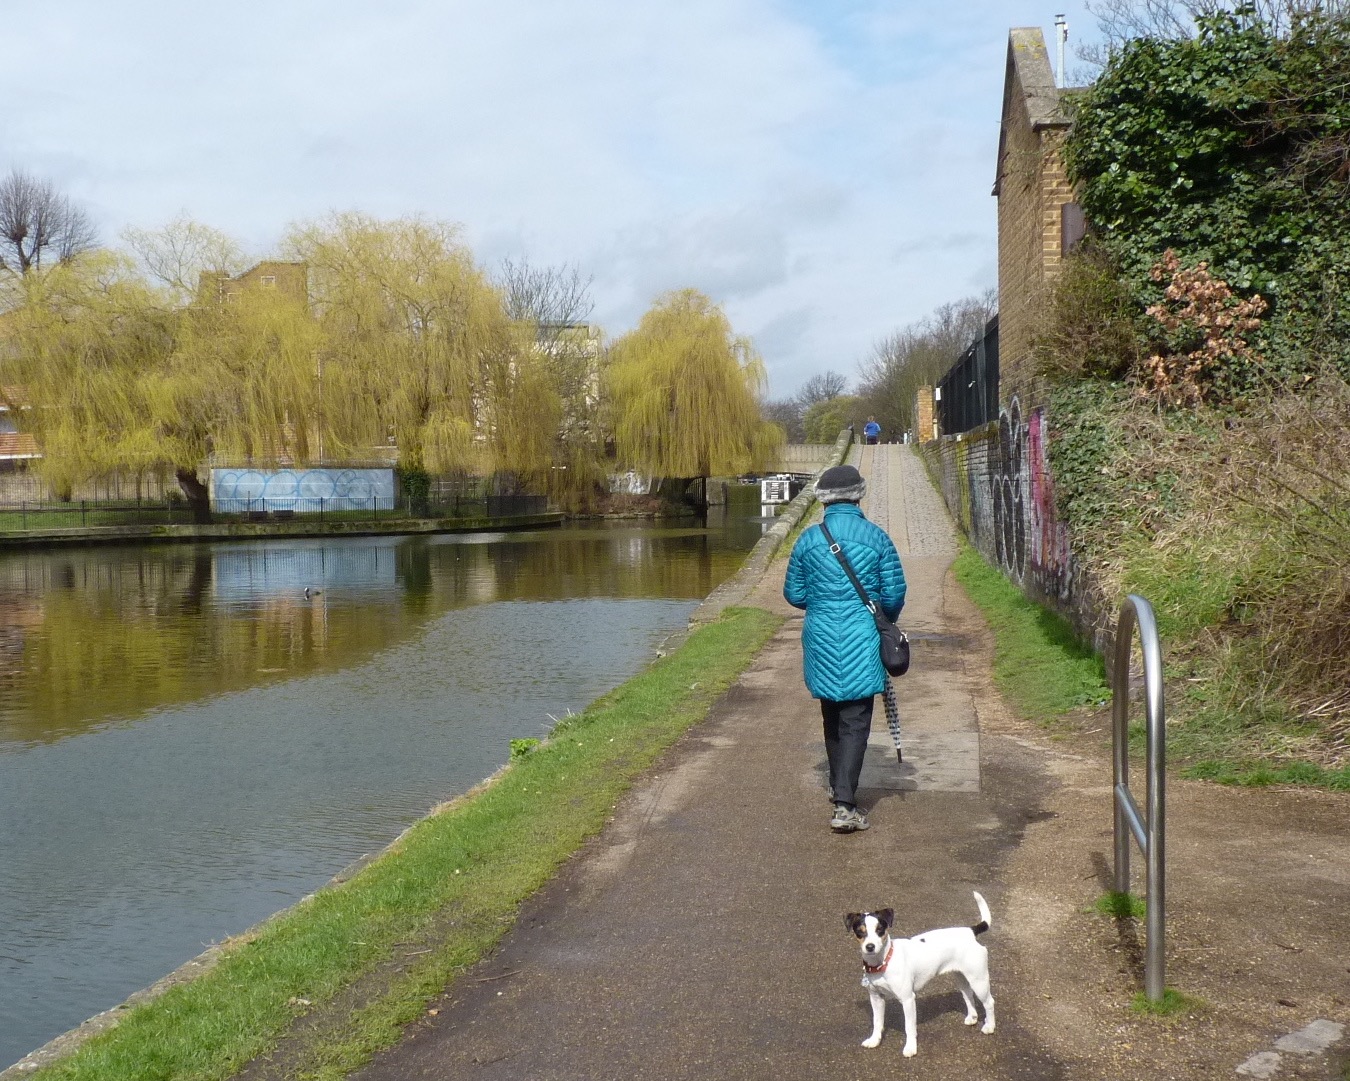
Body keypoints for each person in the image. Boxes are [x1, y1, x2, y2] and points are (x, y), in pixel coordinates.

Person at [784, 464, 906, 833]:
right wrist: (881, 617)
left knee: (832, 716)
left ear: (823, 499)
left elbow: (794, 594)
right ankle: (844, 804)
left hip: (820, 636)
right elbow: (894, 593)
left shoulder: (807, 540)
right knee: (856, 720)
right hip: (862, 636)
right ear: (858, 494)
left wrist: (823, 605)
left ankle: (840, 787)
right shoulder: (877, 537)